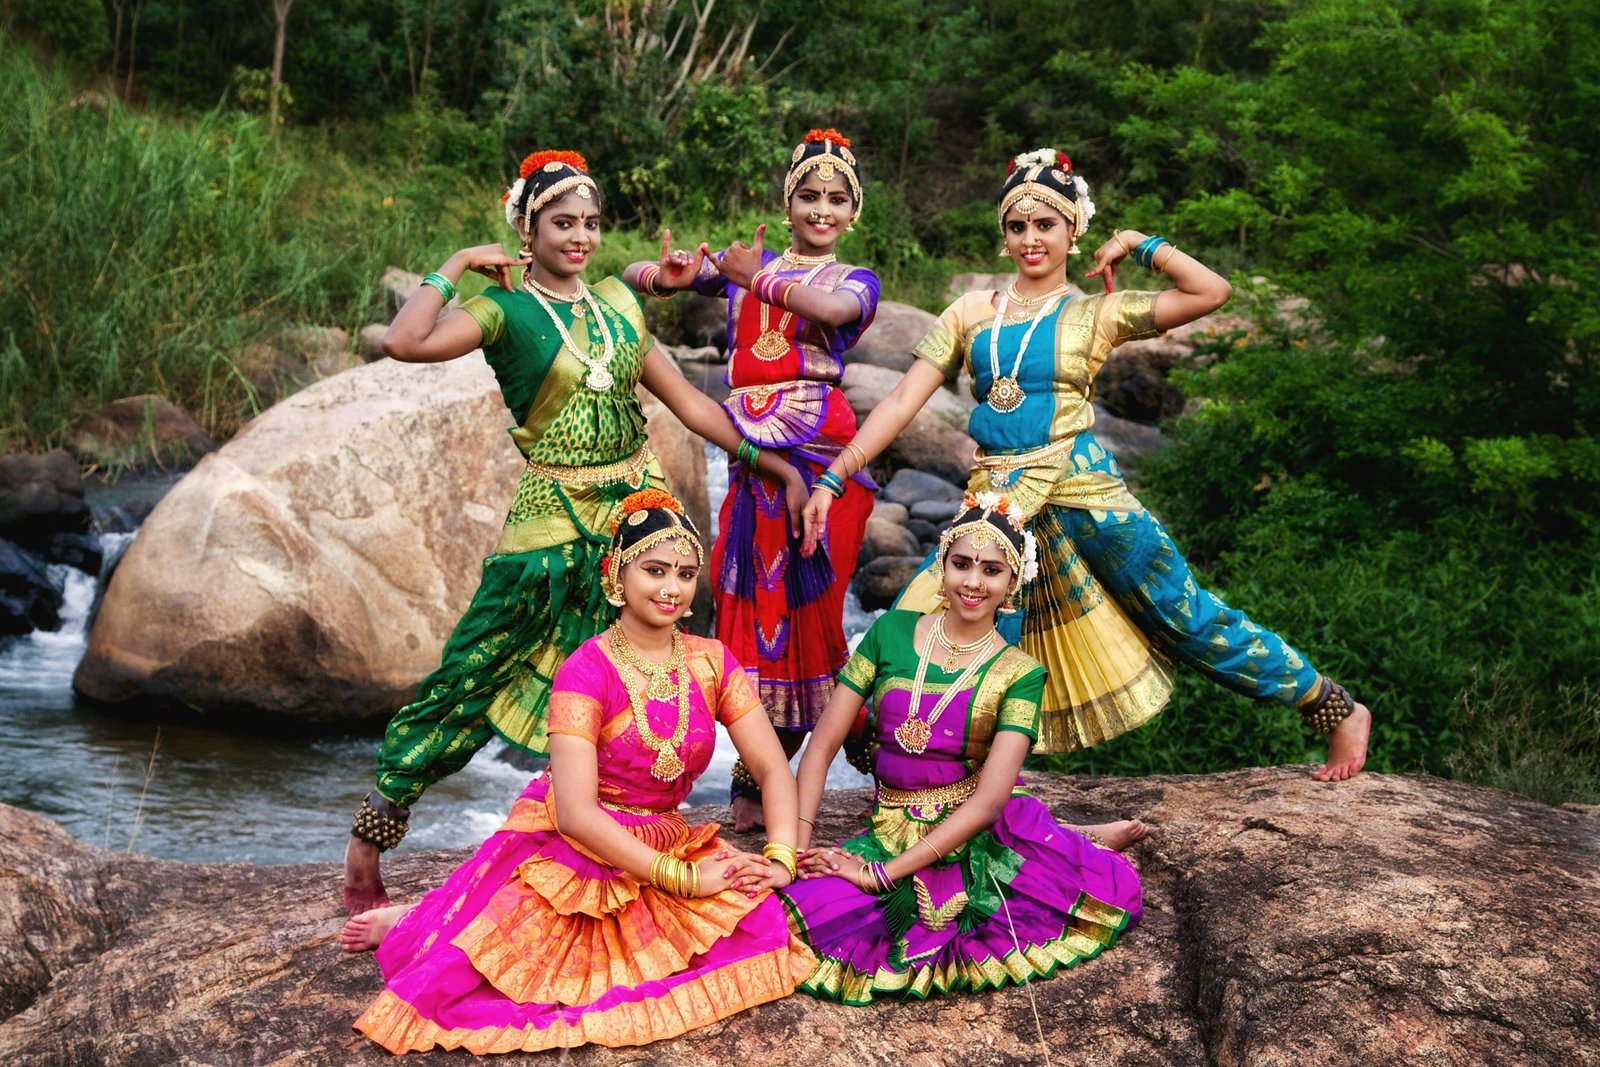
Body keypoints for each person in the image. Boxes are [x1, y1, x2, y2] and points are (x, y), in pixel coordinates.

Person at [801, 148, 1372, 780]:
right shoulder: (969, 312)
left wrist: (1138, 242)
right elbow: (902, 399)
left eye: (1046, 224)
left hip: (1084, 494)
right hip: (995, 505)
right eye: (1017, 226)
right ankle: (926, 777)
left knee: (1184, 617)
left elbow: (1212, 291)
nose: (1030, 239)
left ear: (1073, 230)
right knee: (917, 632)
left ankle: (1332, 708)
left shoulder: (1094, 314)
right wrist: (836, 473)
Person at [343, 151, 810, 917]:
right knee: (472, 672)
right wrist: (456, 264)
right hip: (550, 522)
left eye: (591, 222)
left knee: (635, 681)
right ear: (527, 230)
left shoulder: (618, 302)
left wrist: (771, 462)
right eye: (563, 222)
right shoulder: (501, 310)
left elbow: (690, 403)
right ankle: (371, 836)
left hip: (637, 516)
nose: (581, 236)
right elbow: (403, 341)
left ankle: (612, 840)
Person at [341, 490, 815, 1054]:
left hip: (666, 834)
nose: (672, 587)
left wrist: (781, 858)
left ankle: (423, 915)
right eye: (655, 570)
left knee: (761, 924)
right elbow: (576, 814)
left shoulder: (710, 660)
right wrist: (684, 880)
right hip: (579, 839)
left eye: (686, 574)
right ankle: (414, 922)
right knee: (507, 968)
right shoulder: (585, 669)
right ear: (617, 574)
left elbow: (770, 765)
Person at [778, 497, 1144, 1002]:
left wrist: (878, 875)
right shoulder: (889, 632)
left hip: (970, 830)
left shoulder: (1020, 673)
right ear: (943, 564)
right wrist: (794, 851)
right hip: (890, 821)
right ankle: (1070, 834)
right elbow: (820, 748)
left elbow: (989, 802)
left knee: (875, 924)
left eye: (992, 570)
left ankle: (1076, 841)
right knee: (794, 906)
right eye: (962, 563)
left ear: (1012, 583)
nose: (973, 582)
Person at [623, 129, 881, 831]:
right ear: (787, 202)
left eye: (836, 199)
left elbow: (831, 314)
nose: (821, 209)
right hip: (751, 458)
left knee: (815, 619)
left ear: (853, 211)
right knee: (747, 614)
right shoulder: (749, 265)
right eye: (808, 195)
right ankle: (757, 767)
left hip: (824, 462)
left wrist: (752, 278)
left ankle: (872, 756)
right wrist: (666, 276)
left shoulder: (854, 280)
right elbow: (632, 274)